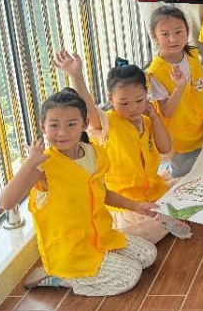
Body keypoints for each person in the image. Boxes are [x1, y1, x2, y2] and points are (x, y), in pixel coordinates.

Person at [0, 88, 158, 295]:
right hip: (71, 251)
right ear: (43, 127)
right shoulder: (43, 165)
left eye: (71, 124)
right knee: (130, 275)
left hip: (101, 236)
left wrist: (135, 206)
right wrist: (30, 163)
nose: (62, 132)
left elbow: (102, 192)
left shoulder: (94, 153)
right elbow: (5, 203)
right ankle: (61, 276)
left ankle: (101, 264)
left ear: (84, 124)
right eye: (54, 125)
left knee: (148, 255)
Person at [53, 51, 191, 243]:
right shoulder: (107, 124)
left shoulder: (146, 120)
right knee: (147, 230)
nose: (133, 108)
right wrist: (76, 76)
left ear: (146, 95)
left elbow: (165, 148)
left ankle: (165, 217)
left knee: (191, 188)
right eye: (124, 103)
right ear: (111, 100)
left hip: (155, 190)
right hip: (127, 203)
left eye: (139, 100)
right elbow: (88, 109)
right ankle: (162, 220)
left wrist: (154, 118)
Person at [147, 6, 203, 177]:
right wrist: (179, 88)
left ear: (187, 31)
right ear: (154, 37)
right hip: (182, 139)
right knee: (186, 177)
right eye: (165, 34)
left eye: (178, 32)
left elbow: (196, 82)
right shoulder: (157, 72)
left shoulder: (190, 54)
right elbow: (166, 111)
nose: (173, 39)